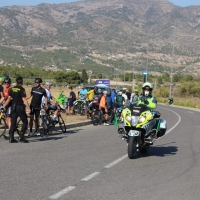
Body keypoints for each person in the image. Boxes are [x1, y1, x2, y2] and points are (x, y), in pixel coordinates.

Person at [5, 76, 31, 143]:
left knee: (13, 123)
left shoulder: (12, 89)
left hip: (13, 107)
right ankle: (21, 137)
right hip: (20, 107)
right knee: (25, 121)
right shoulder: (22, 89)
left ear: (16, 82)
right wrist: (28, 107)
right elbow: (24, 99)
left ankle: (11, 138)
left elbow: (9, 98)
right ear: (22, 82)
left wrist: (4, 106)